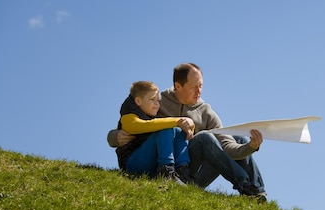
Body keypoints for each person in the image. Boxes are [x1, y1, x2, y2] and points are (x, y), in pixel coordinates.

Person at [108, 63, 267, 200]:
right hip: (162, 167)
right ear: (178, 86)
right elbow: (132, 122)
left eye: (201, 86)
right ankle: (245, 185)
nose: (199, 91)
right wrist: (115, 136)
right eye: (193, 87)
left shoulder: (205, 111)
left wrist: (251, 147)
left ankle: (257, 191)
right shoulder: (157, 102)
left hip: (189, 173)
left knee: (238, 138)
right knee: (204, 138)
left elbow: (227, 145)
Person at [115, 80, 195, 185]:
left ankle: (182, 170)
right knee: (165, 128)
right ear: (138, 101)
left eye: (158, 100)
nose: (157, 104)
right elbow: (146, 125)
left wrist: (189, 125)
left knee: (178, 130)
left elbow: (161, 124)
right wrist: (178, 121)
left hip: (149, 164)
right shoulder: (128, 117)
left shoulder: (151, 114)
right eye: (152, 99)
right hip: (133, 164)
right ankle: (166, 171)